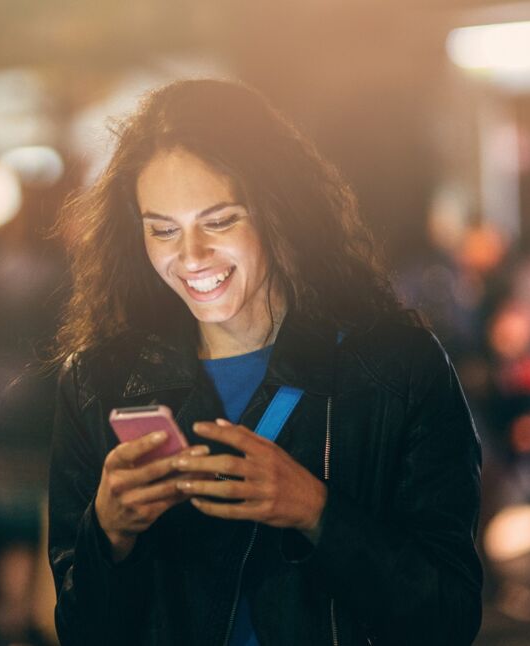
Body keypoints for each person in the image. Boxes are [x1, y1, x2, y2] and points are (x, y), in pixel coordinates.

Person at [47, 79, 482, 645]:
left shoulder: (395, 370)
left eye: (220, 221)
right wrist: (107, 535)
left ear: (279, 211)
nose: (192, 256)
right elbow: (83, 632)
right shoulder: (100, 381)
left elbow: (448, 618)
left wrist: (315, 511)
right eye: (163, 230)